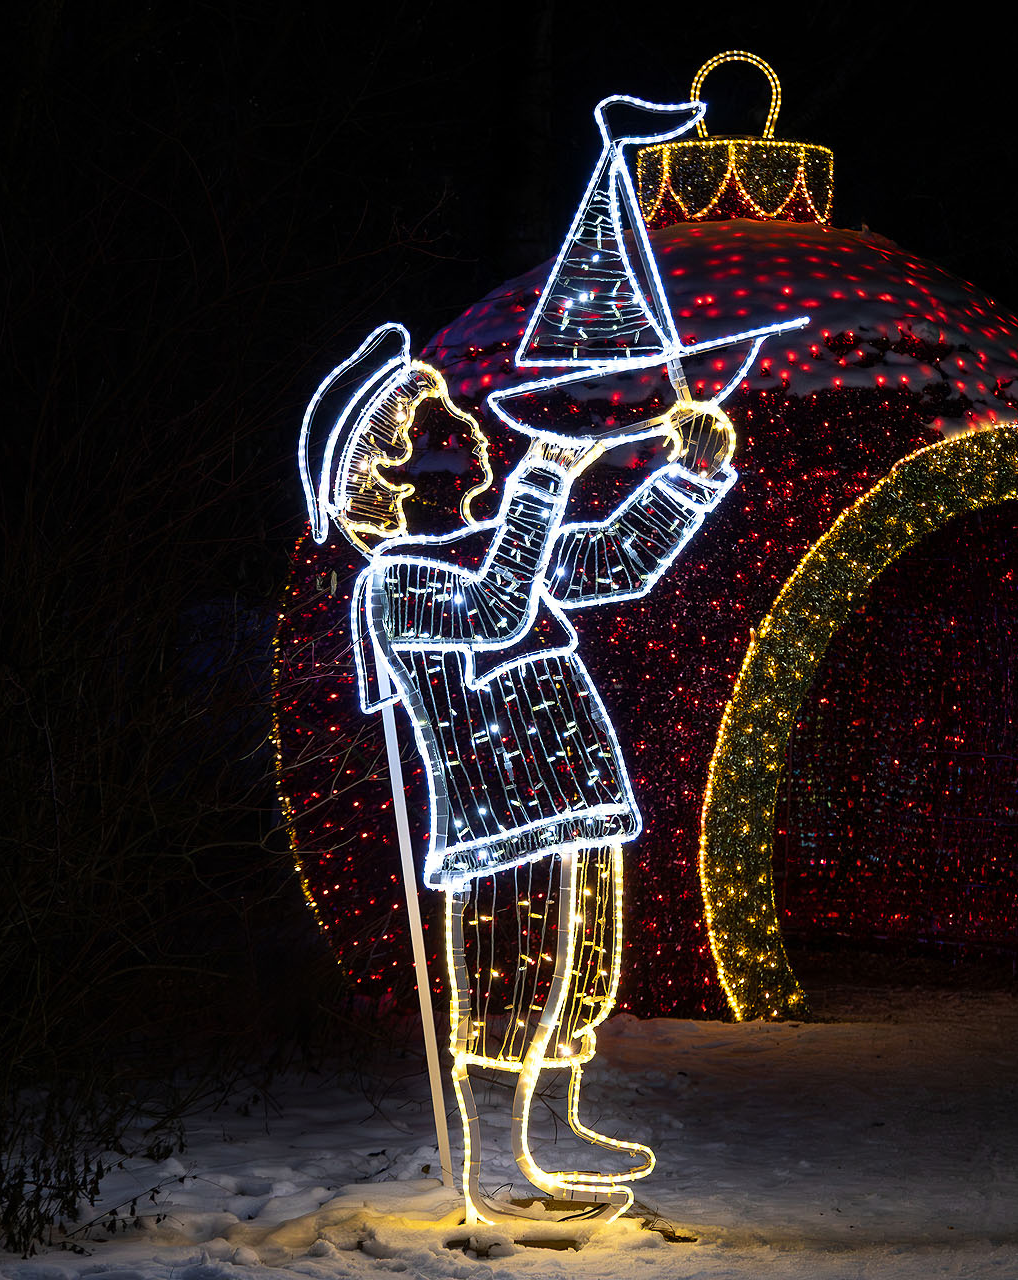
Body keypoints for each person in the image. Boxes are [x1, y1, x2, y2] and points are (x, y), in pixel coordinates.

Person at [301, 324, 739, 1224]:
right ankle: (498, 1167)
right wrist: (545, 477)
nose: (468, 427)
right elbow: (496, 609)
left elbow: (615, 560)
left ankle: (555, 1129)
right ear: (391, 474)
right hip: (504, 826)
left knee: (581, 976)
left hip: (577, 797)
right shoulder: (396, 581)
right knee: (511, 990)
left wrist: (688, 476)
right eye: (434, 423)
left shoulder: (501, 544)